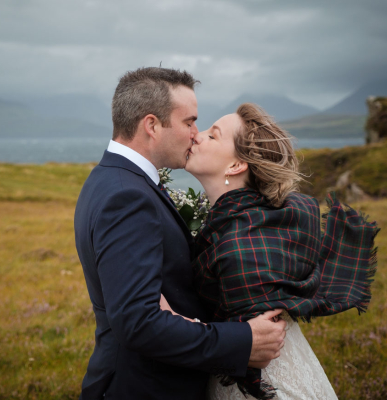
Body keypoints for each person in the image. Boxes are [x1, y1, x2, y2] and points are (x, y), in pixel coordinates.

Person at [74, 68, 287, 400]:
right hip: (143, 387)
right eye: (189, 122)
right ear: (152, 125)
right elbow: (138, 322)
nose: (195, 133)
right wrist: (243, 341)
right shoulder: (127, 197)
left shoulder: (111, 180)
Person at [171, 102, 378, 399]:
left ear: (235, 166)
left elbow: (245, 332)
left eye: (213, 135)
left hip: (264, 386)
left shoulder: (238, 244)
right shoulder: (246, 222)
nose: (196, 136)